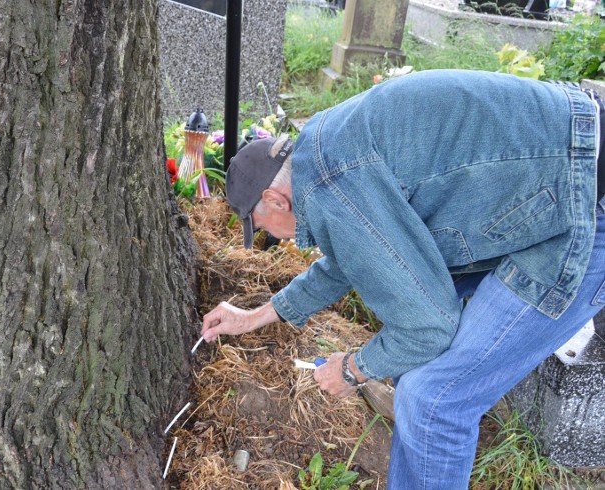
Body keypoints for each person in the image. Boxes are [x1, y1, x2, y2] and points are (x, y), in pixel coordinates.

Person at [200, 69, 604, 489]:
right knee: (415, 377)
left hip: (580, 201)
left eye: (264, 227)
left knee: (433, 400)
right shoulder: (322, 151)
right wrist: (252, 318)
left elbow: (429, 328)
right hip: (558, 168)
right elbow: (351, 257)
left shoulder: (329, 185)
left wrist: (355, 370)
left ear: (274, 199)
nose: (271, 237)